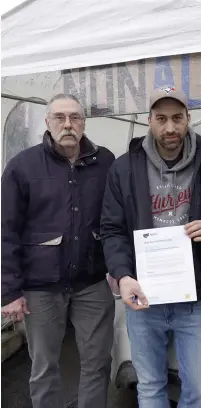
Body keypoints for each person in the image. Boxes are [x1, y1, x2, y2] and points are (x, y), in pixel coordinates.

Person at [100, 86, 201, 408]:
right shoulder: (124, 169)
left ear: (188, 119)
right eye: (161, 118)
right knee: (150, 387)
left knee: (200, 391)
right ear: (149, 121)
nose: (170, 128)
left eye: (177, 118)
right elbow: (111, 229)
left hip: (196, 299)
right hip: (143, 298)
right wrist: (123, 276)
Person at [1, 93, 116, 408]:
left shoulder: (104, 162)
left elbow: (118, 218)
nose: (68, 124)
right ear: (47, 122)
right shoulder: (22, 167)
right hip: (40, 286)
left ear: (83, 122)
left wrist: (120, 269)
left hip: (92, 282)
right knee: (44, 366)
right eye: (60, 118)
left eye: (75, 117)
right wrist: (9, 290)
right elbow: (5, 230)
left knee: (98, 360)